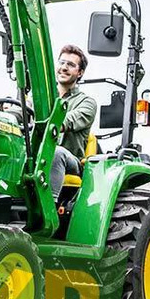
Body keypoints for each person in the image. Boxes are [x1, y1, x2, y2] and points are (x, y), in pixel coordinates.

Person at [49, 44, 98, 203]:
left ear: (80, 72)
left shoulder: (87, 103)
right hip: (34, 154)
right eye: (62, 63)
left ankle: (49, 207)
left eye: (70, 65)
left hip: (70, 160)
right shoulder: (41, 97)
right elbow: (22, 111)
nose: (64, 68)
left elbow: (68, 120)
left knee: (56, 153)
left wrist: (52, 123)